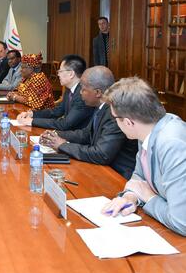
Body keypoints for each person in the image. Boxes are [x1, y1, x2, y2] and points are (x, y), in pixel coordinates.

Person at [101, 77, 186, 236]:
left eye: (114, 118)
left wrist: (149, 197)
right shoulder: (148, 129)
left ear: (128, 122)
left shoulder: (172, 144)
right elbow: (139, 176)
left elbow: (181, 222)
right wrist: (130, 197)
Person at [40, 66, 138, 179]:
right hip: (101, 169)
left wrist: (63, 145)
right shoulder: (100, 107)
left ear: (97, 92)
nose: (80, 92)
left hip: (117, 175)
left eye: (83, 89)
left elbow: (101, 154)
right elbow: (86, 134)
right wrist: (55, 134)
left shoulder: (114, 113)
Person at [16, 54, 94, 130]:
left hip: (76, 136)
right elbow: (57, 111)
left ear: (71, 74)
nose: (58, 74)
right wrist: (32, 114)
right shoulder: (70, 89)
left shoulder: (82, 95)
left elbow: (65, 124)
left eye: (60, 71)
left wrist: (32, 121)